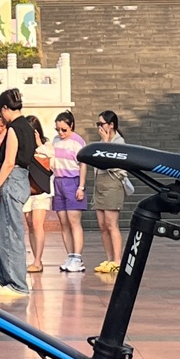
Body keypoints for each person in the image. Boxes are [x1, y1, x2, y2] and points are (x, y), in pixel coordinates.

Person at [0, 88, 34, 297]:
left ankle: (17, 284)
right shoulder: (28, 127)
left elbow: (9, 161)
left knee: (9, 232)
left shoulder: (15, 128)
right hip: (17, 180)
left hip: (12, 180)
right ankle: (4, 278)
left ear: (5, 108)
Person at [50, 111, 89, 272]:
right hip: (58, 181)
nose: (60, 133)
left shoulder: (77, 142)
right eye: (58, 129)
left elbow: (83, 165)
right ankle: (70, 255)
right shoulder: (56, 140)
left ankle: (77, 257)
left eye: (64, 129)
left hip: (72, 181)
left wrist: (81, 186)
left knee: (74, 221)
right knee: (63, 221)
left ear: (71, 126)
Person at [90, 110, 128, 273]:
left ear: (111, 125)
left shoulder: (119, 142)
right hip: (100, 184)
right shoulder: (102, 141)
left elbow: (109, 161)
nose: (99, 127)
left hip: (113, 182)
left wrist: (105, 142)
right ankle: (109, 258)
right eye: (97, 124)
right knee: (102, 224)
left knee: (111, 223)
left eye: (102, 124)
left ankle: (118, 260)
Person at [23, 114, 53, 273]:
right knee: (29, 223)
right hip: (27, 188)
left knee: (37, 223)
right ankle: (35, 259)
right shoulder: (22, 145)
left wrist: (38, 144)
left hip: (42, 189)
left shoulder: (46, 144)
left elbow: (50, 160)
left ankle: (38, 260)